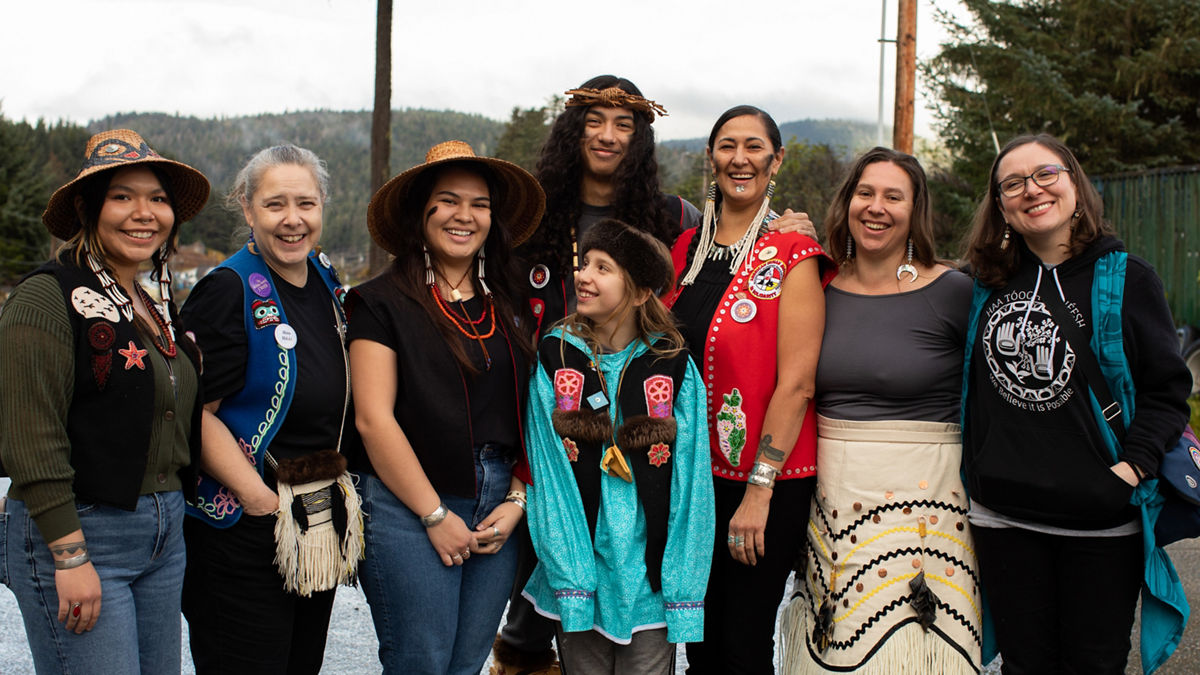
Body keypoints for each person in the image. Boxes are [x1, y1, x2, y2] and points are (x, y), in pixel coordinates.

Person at [498, 74, 818, 674]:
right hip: (551, 422)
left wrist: (788, 231)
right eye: (594, 120)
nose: (608, 135)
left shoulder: (671, 222)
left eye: (624, 124)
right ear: (573, 128)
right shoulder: (536, 213)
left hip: (663, 448)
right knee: (535, 613)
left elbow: (732, 290)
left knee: (677, 609)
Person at [961, 134, 1190, 673]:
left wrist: (1131, 470)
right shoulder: (984, 283)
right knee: (1023, 663)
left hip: (1101, 526)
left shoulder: (1127, 279)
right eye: (1012, 184)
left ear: (1073, 183)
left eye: (1046, 174)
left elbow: (1167, 390)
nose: (1031, 190)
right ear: (1001, 208)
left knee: (1094, 663)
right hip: (1003, 519)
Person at [0, 129, 209, 672]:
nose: (145, 213)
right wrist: (69, 555)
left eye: (158, 198)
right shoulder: (47, 296)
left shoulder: (150, 302)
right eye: (123, 196)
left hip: (163, 532)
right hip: (83, 530)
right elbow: (30, 437)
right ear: (87, 208)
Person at [779, 148, 981, 673]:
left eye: (895, 196)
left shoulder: (953, 291)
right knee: (836, 642)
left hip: (928, 503)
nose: (877, 207)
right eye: (865, 193)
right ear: (847, 203)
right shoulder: (815, 284)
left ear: (915, 212)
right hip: (833, 500)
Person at [347, 140, 545, 674]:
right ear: (421, 213)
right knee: (421, 662)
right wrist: (434, 514)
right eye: (448, 200)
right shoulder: (378, 302)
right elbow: (372, 418)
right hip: (406, 499)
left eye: (479, 204)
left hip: (500, 499)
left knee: (466, 664)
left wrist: (519, 501)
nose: (465, 216)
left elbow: (534, 410)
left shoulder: (509, 300)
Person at [665, 105, 834, 674]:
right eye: (727, 145)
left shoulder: (793, 254)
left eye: (755, 146)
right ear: (710, 158)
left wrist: (759, 491)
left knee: (742, 644)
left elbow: (798, 382)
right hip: (692, 481)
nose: (741, 158)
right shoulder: (683, 250)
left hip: (764, 480)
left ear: (776, 159)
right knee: (701, 641)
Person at [181, 144, 354, 674]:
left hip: (310, 521)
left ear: (323, 205)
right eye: (275, 204)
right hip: (245, 530)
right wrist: (260, 500)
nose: (293, 219)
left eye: (306, 203)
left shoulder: (323, 278)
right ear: (246, 207)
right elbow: (196, 413)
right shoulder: (225, 289)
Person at [523, 219, 715, 674]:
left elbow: (692, 483)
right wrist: (573, 576)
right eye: (584, 263)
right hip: (581, 563)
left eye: (602, 267)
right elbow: (548, 475)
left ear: (640, 291)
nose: (583, 275)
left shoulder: (670, 364)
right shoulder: (558, 355)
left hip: (650, 576)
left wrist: (682, 582)